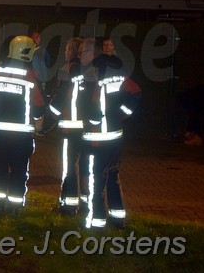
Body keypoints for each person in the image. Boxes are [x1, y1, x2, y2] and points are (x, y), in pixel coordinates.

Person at [0, 35, 46, 214]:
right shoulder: (31, 77)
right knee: (19, 170)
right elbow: (39, 106)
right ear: (27, 54)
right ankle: (14, 207)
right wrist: (38, 124)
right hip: (22, 135)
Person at [80, 38, 141, 229]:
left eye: (83, 52)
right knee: (113, 176)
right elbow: (136, 91)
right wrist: (121, 114)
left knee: (96, 179)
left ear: (93, 54)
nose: (81, 55)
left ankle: (96, 221)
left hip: (97, 137)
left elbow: (94, 102)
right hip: (115, 134)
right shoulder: (118, 72)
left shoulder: (94, 72)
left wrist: (95, 126)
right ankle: (118, 218)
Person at [48, 36, 87, 215]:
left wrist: (48, 118)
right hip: (86, 127)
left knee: (69, 166)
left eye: (66, 49)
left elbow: (61, 96)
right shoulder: (91, 70)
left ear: (72, 51)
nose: (65, 53)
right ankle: (85, 203)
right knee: (85, 167)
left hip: (69, 126)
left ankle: (68, 205)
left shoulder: (69, 70)